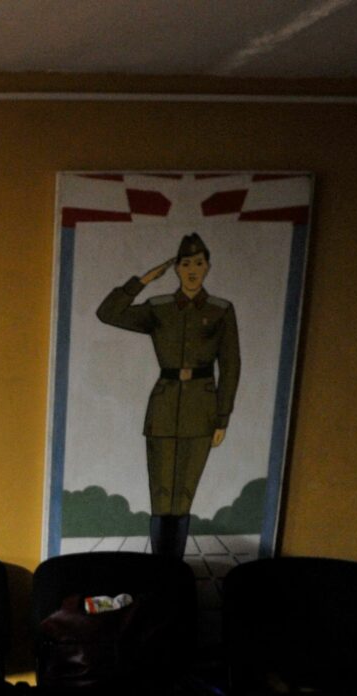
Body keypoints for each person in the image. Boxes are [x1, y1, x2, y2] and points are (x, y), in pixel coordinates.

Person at [94, 231, 242, 562]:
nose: (192, 269)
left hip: (202, 409)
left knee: (184, 494)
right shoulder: (159, 308)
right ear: (176, 268)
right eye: (185, 263)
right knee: (161, 496)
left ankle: (174, 567)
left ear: (208, 267)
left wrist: (223, 417)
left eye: (199, 263)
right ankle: (161, 567)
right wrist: (143, 280)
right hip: (163, 407)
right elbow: (108, 313)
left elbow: (231, 366)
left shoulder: (221, 310)